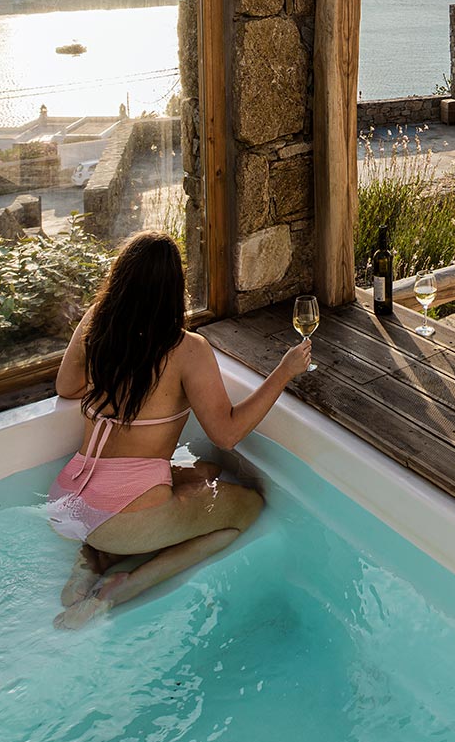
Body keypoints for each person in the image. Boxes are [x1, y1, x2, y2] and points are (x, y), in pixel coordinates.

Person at [46, 231, 310, 628]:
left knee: (205, 472)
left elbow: (66, 387)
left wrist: (117, 376)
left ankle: (91, 560)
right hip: (120, 518)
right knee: (249, 506)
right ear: (175, 289)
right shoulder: (188, 350)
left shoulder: (96, 323)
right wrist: (284, 372)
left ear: (120, 279)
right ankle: (125, 587)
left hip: (69, 500)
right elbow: (226, 434)